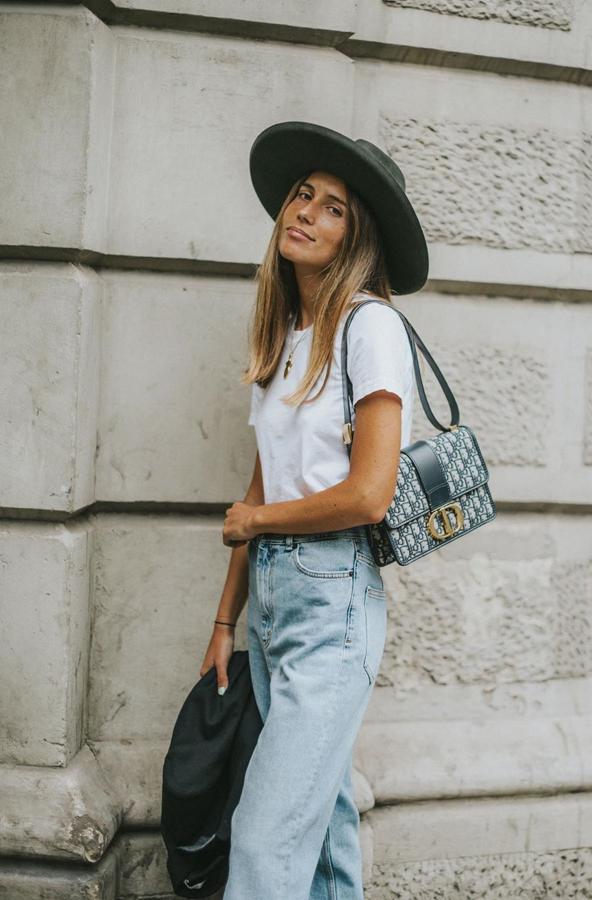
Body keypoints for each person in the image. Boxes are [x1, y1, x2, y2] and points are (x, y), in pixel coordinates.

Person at [199, 121, 429, 900]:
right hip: (272, 607)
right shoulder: (289, 337)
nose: (306, 212)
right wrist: (226, 622)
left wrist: (257, 525)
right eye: (303, 196)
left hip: (331, 603)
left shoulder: (372, 328)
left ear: (355, 235)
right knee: (322, 832)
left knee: (265, 842)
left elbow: (370, 493)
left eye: (333, 208)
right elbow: (263, 483)